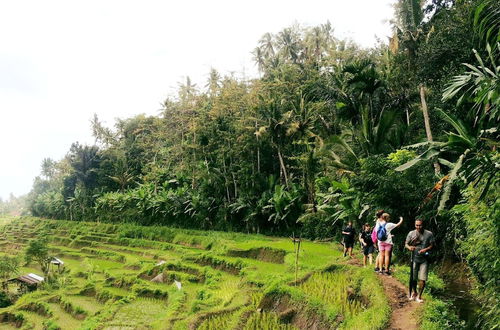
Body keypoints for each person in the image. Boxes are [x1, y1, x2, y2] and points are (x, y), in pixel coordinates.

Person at [405, 219, 435, 303]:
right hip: (414, 258)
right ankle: (414, 292)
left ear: (423, 225)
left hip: (424, 259)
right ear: (415, 225)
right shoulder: (411, 233)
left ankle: (419, 296)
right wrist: (409, 247)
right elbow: (406, 244)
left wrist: (426, 249)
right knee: (413, 278)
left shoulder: (429, 234)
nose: (418, 227)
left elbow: (432, 245)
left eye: (420, 225)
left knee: (422, 279)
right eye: (416, 225)